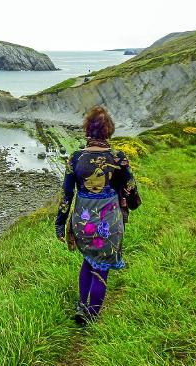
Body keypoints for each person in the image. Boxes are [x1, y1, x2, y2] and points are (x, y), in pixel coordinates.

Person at [55, 106, 139, 325]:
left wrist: (60, 224)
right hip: (108, 223)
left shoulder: (75, 158)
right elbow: (131, 188)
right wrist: (131, 202)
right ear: (108, 131)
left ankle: (82, 306)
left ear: (87, 130)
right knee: (101, 267)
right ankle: (91, 316)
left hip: (82, 223)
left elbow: (66, 195)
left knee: (88, 262)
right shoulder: (118, 158)